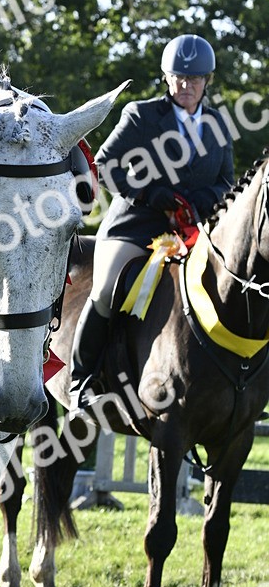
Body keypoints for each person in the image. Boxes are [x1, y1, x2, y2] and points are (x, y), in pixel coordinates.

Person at [69, 33, 234, 407]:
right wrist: (148, 193)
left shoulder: (219, 125)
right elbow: (105, 165)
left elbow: (226, 181)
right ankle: (81, 381)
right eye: (178, 77)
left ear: (206, 81)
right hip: (134, 226)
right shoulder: (142, 116)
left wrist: (204, 198)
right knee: (107, 288)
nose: (185, 85)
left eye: (193, 79)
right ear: (167, 78)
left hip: (192, 229)